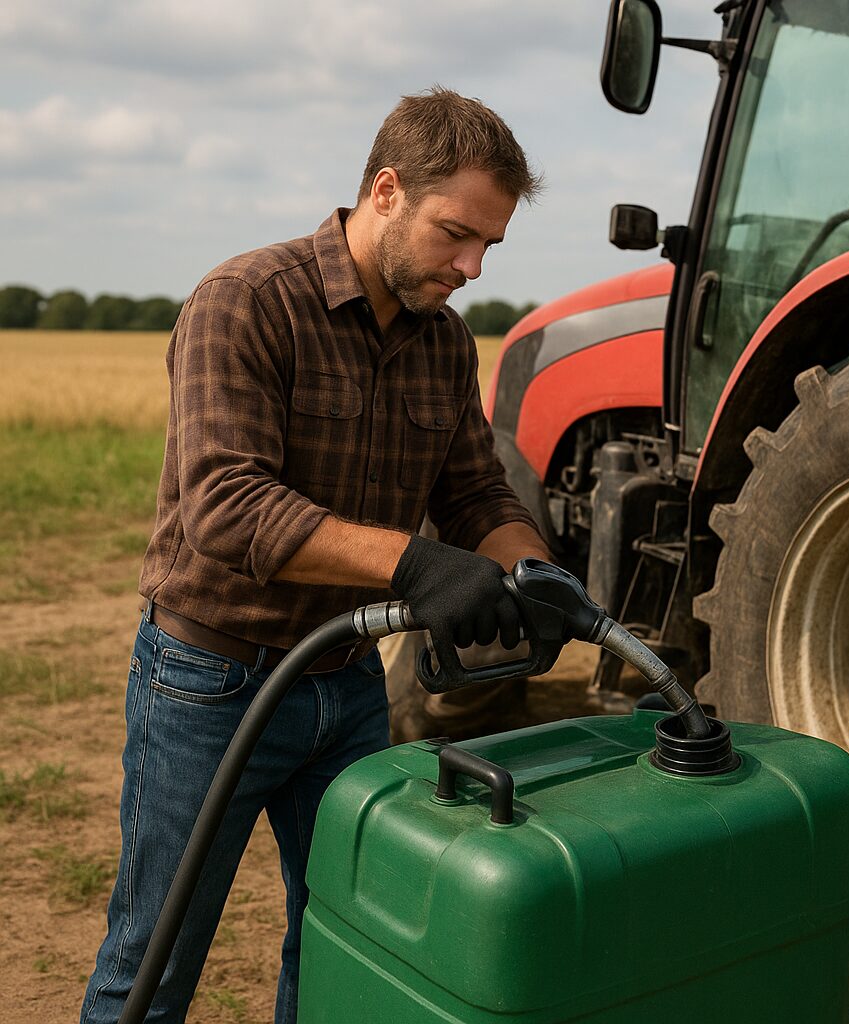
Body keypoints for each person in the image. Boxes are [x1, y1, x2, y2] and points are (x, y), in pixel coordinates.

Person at [80, 86, 551, 1024]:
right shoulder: (246, 302)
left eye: (490, 245)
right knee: (155, 959)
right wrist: (417, 567)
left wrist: (535, 571)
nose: (471, 265)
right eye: (456, 233)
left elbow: (475, 493)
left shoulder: (446, 342)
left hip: (346, 687)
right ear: (385, 190)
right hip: (209, 683)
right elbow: (226, 506)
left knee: (349, 943)